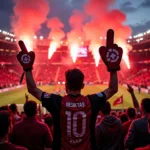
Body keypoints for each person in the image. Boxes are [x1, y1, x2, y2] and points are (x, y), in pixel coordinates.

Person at [16, 29, 123, 150]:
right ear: (83, 86)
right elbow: (113, 88)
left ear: (66, 86)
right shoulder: (92, 101)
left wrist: (27, 68)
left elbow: (33, 89)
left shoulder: (56, 102)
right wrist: (113, 67)